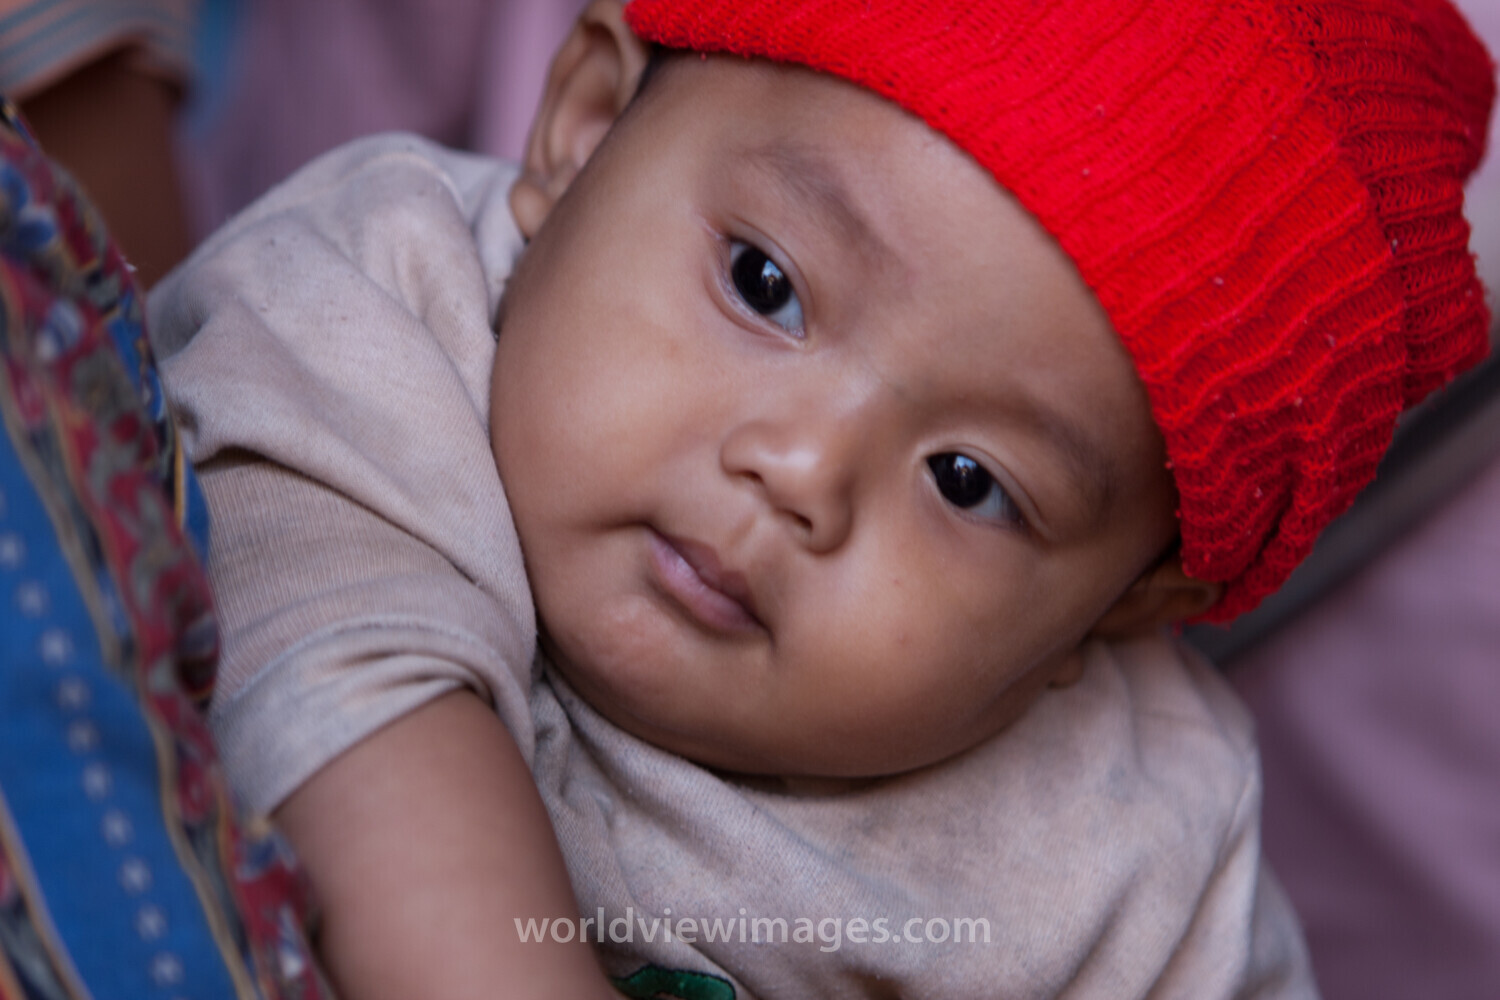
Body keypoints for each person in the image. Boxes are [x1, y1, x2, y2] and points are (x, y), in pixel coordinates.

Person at [143, 0, 1493, 997]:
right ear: (588, 123)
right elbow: (343, 690)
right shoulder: (378, 302)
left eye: (968, 484)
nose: (801, 473)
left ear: (1130, 603)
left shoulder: (1137, 844)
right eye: (765, 286)